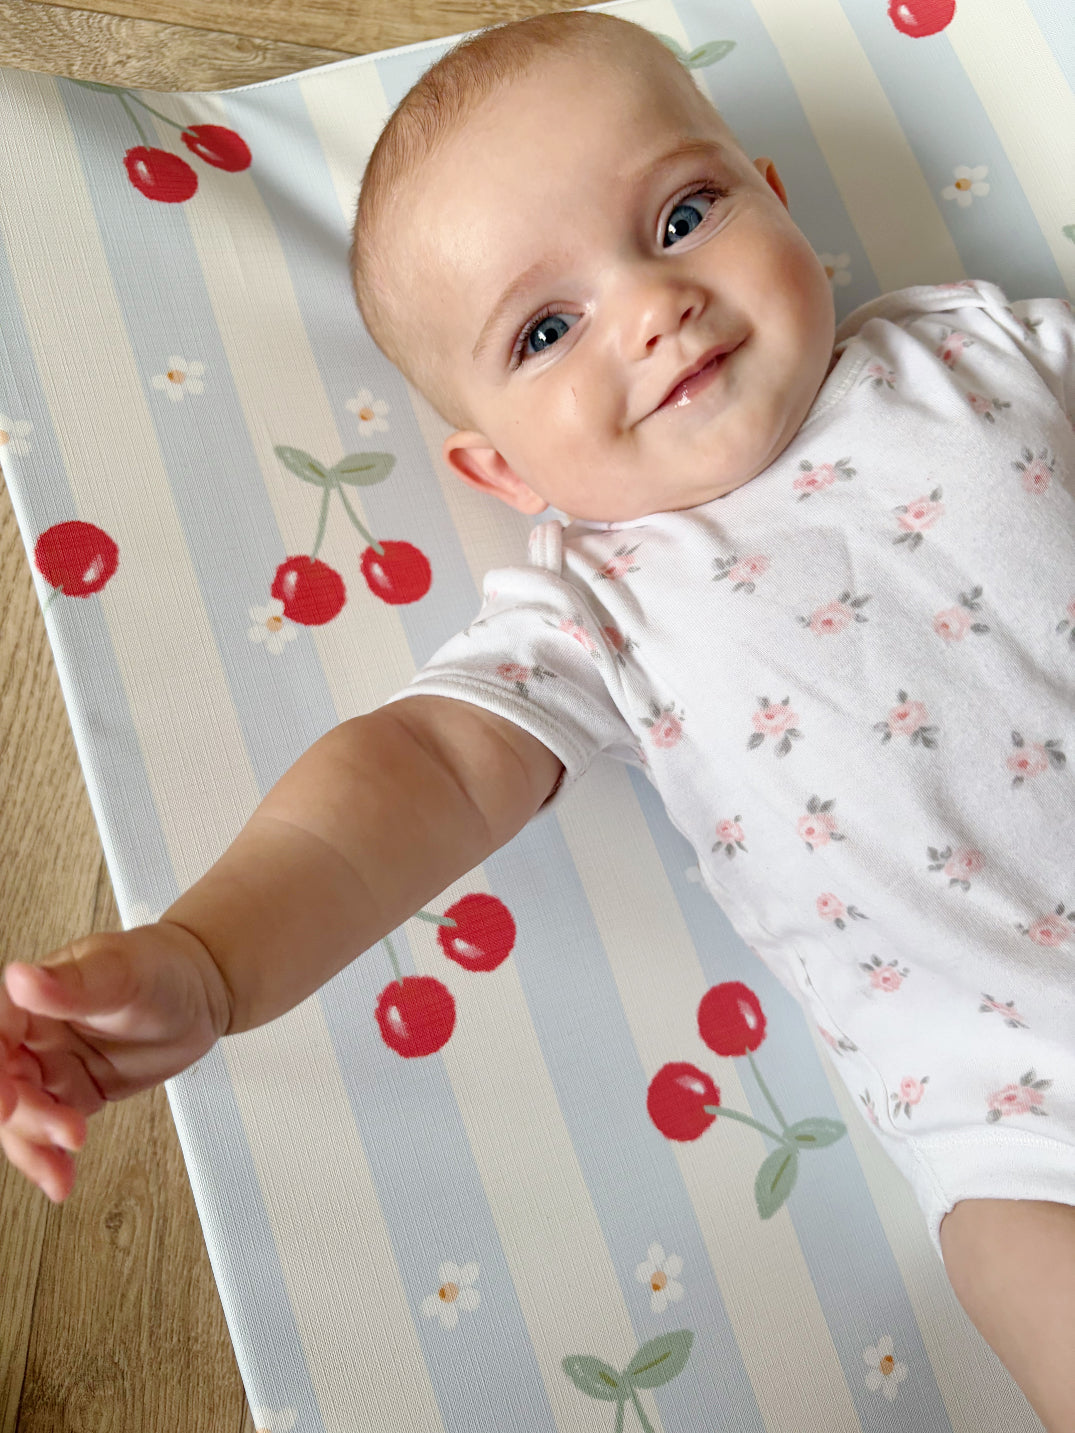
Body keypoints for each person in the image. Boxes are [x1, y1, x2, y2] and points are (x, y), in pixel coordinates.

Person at [2, 10, 1073, 1427]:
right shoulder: (599, 608)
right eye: (547, 327)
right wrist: (208, 956)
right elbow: (420, 768)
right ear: (499, 468)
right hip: (1024, 1130)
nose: (651, 302)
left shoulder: (984, 348)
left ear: (777, 199)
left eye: (684, 214)